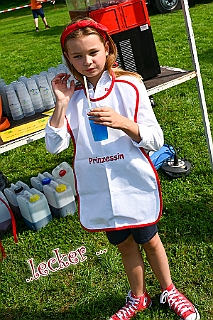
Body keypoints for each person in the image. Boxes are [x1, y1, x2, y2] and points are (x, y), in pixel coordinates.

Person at [45, 17, 200, 320]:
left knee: (150, 240)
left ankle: (169, 289)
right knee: (125, 245)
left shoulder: (130, 86)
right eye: (77, 56)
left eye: (93, 52)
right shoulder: (73, 96)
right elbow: (55, 146)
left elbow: (155, 139)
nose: (86, 61)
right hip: (99, 187)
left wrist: (124, 123)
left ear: (107, 48)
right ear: (68, 58)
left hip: (131, 179)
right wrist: (61, 103)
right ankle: (138, 297)